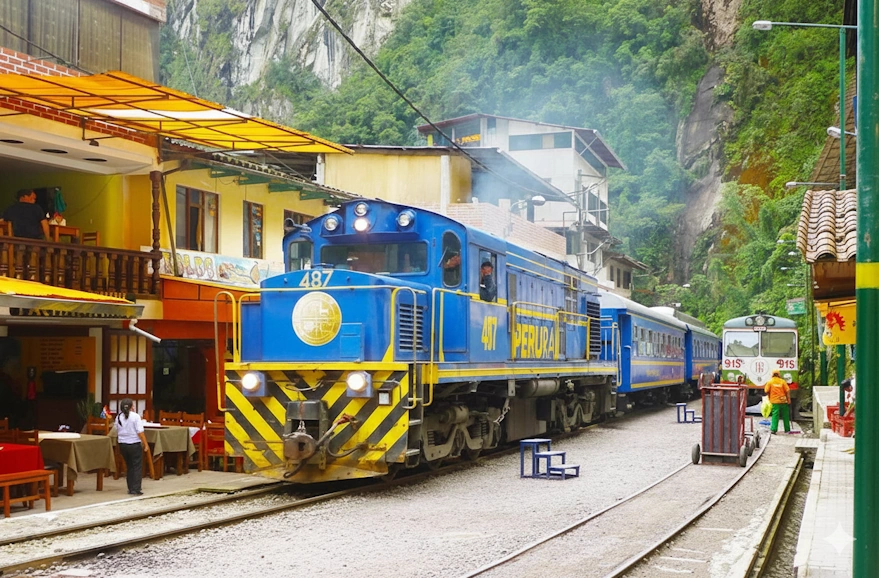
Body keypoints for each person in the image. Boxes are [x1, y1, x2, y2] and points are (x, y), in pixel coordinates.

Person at [115, 398, 149, 495]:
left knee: (129, 466)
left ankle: (130, 488)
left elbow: (116, 429)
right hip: (134, 443)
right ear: (131, 407)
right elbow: (140, 432)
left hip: (122, 444)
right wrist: (145, 444)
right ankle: (136, 488)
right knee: (137, 466)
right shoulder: (135, 417)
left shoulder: (118, 417)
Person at [764, 369, 792, 434]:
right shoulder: (782, 382)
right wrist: (789, 399)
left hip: (775, 402)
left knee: (775, 415)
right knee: (785, 415)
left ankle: (773, 429)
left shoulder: (770, 382)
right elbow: (787, 390)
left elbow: (766, 391)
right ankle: (787, 429)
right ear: (779, 374)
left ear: (772, 375)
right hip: (783, 401)